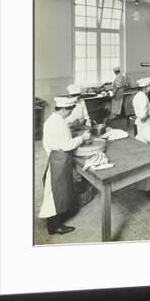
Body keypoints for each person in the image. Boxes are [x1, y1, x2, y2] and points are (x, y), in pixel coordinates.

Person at [38, 96, 91, 235]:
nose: (70, 114)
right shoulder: (59, 123)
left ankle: (57, 220)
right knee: (57, 193)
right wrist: (82, 138)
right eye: (69, 111)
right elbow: (67, 146)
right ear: (63, 109)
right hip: (60, 159)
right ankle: (55, 226)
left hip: (55, 156)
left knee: (57, 191)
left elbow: (48, 143)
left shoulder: (52, 119)